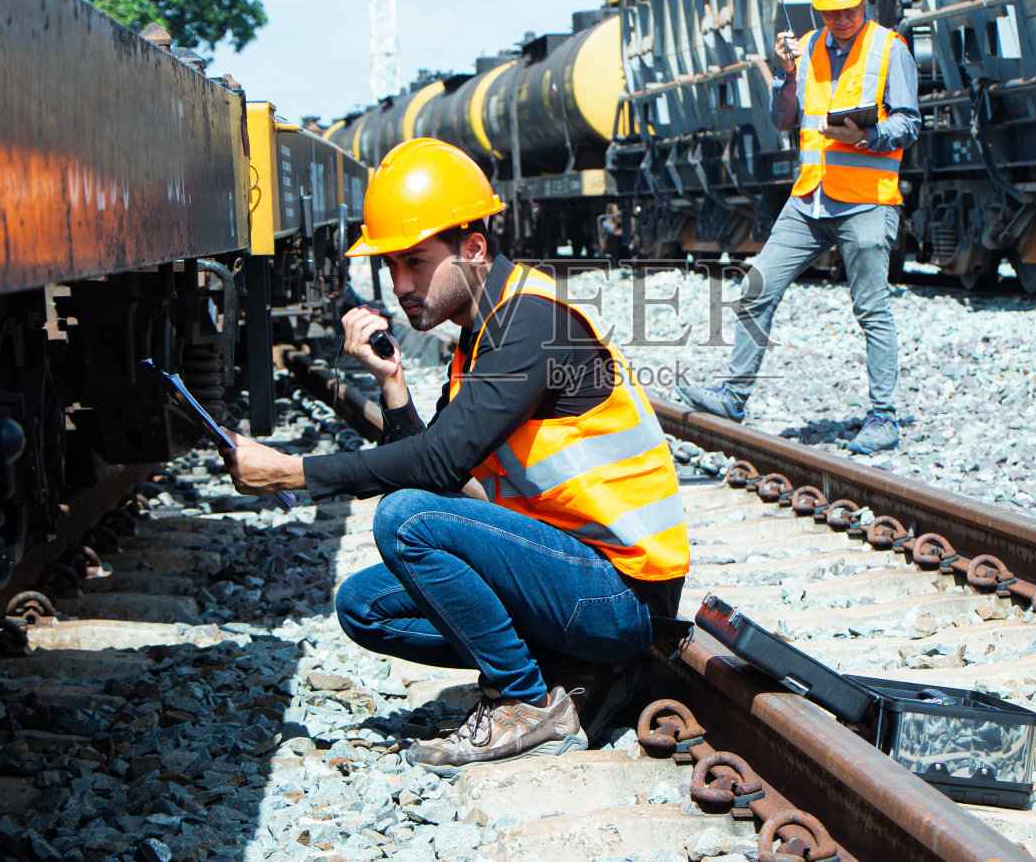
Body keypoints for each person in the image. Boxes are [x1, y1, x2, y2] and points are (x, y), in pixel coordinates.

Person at [220, 138, 689, 775]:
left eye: (415, 262)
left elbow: (434, 472)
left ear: (472, 249)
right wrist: (391, 384)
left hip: (620, 596)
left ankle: (526, 703)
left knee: (404, 519)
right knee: (364, 605)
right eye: (391, 267)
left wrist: (290, 472)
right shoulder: (479, 337)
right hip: (565, 573)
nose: (400, 285)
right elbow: (441, 470)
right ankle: (567, 673)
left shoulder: (530, 325)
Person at [677, 0, 921, 454]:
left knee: (872, 309)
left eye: (850, 9)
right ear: (817, 8)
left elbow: (910, 122)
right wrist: (786, 75)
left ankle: (884, 418)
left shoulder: (889, 48)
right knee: (756, 288)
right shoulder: (806, 49)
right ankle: (733, 395)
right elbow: (786, 118)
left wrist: (864, 137)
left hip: (867, 199)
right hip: (810, 198)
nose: (842, 19)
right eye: (831, 11)